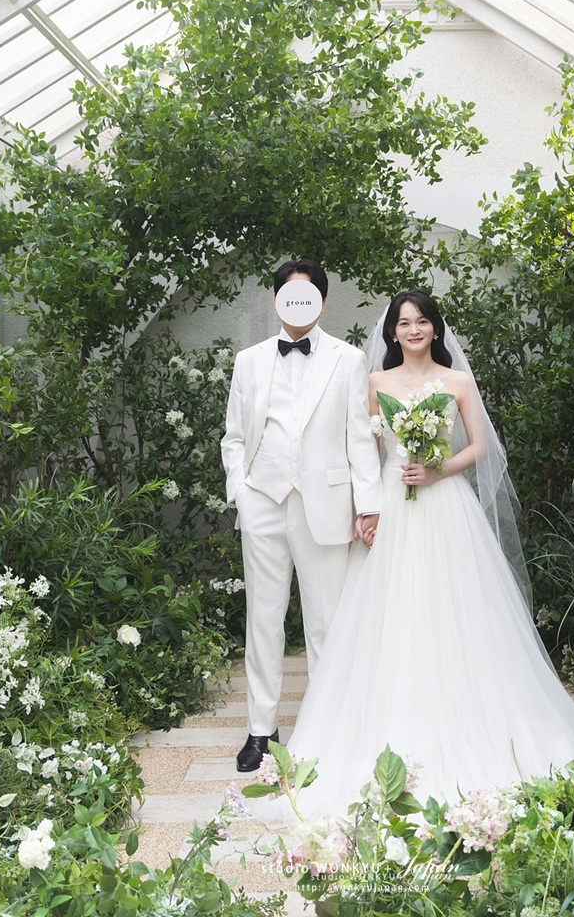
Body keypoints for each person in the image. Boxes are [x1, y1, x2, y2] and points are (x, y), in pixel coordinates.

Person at [254, 288, 574, 819]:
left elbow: (481, 447)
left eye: (422, 321)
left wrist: (439, 469)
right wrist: (366, 509)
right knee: (391, 615)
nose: (414, 330)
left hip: (446, 507)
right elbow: (360, 449)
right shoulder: (374, 383)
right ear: (391, 332)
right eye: (404, 323)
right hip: (392, 506)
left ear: (436, 329)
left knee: (455, 611)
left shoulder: (457, 381)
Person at [221, 259, 382, 773]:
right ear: (277, 301)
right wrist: (241, 493)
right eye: (288, 295)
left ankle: (326, 728)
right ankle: (260, 730)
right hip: (263, 502)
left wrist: (369, 503)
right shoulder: (248, 361)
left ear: (322, 302)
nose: (297, 304)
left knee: (327, 623)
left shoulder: (349, 359)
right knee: (263, 619)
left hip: (327, 505)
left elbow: (360, 436)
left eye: (307, 295)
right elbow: (234, 437)